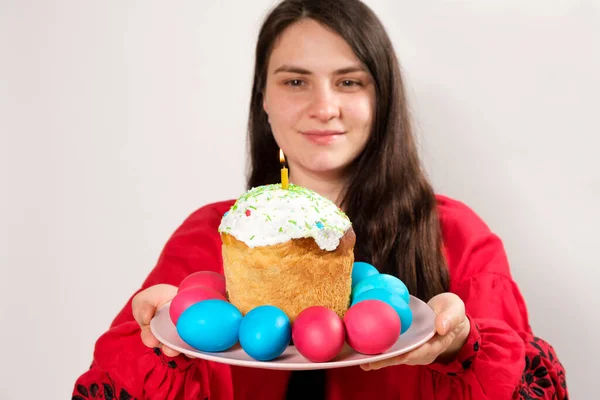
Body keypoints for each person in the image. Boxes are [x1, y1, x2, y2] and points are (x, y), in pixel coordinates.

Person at [72, 0, 569, 399]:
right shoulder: (211, 235)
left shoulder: (455, 235)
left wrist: (460, 348)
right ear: (263, 99)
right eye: (295, 81)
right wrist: (161, 348)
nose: (324, 107)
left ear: (382, 98)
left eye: (349, 82)